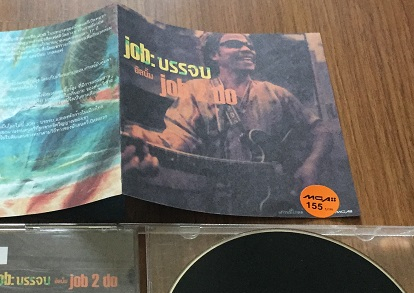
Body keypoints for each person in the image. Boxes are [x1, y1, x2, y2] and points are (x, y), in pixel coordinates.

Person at [123, 33, 331, 190]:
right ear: (214, 55)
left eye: (250, 46)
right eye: (234, 44)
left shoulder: (276, 93)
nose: (247, 49)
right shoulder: (196, 90)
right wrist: (139, 137)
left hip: (277, 192)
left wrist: (311, 164)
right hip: (221, 195)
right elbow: (179, 140)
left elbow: (321, 131)